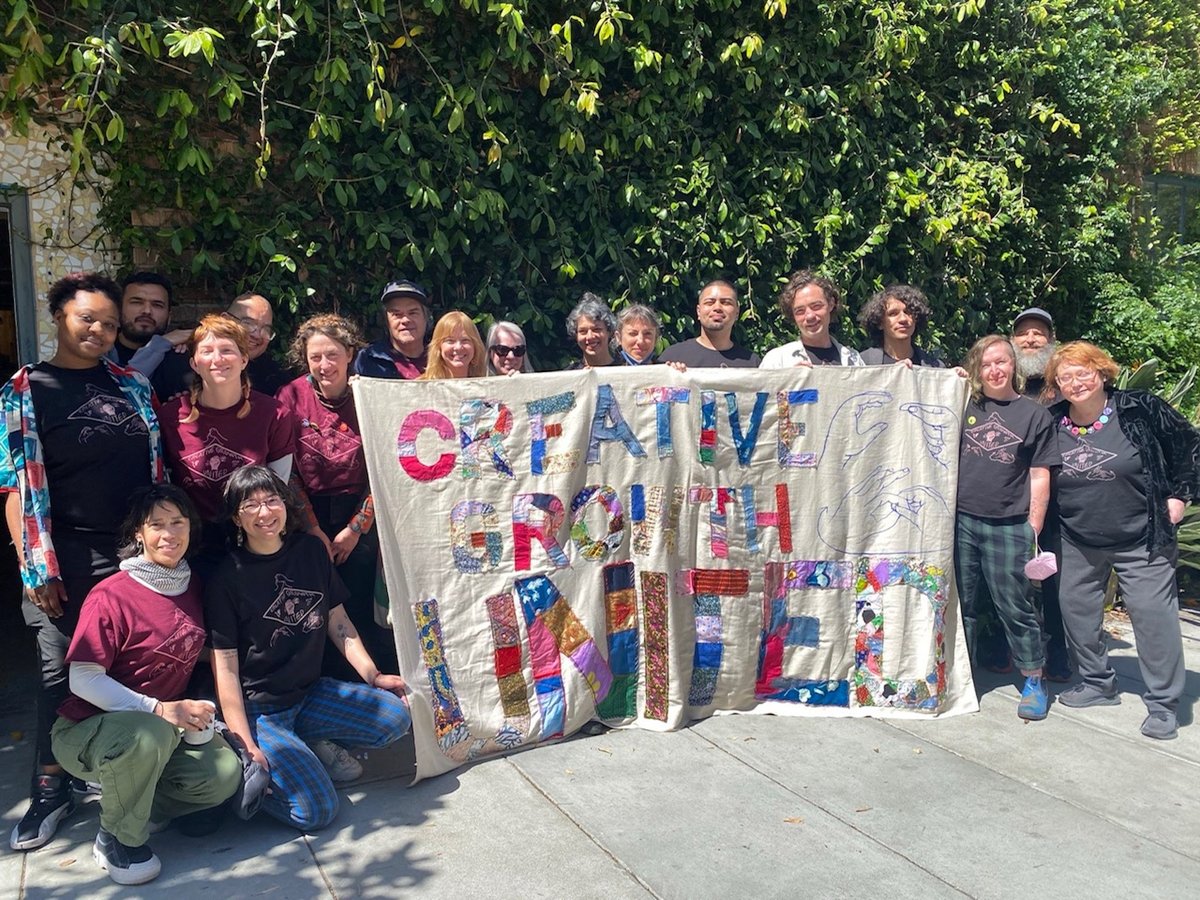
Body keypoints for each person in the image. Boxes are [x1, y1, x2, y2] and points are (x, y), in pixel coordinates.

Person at [2, 273, 164, 852]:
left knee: (130, 663)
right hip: (63, 554)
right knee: (58, 673)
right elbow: (14, 486)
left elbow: (154, 470)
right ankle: (50, 788)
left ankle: (125, 767)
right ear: (59, 318)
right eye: (87, 318)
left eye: (111, 324)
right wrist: (33, 569)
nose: (99, 330)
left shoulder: (131, 385)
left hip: (131, 552)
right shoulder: (27, 389)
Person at [49, 485, 241, 885]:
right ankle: (117, 838)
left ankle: (131, 800)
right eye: (157, 525)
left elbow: (187, 646)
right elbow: (82, 678)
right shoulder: (111, 596)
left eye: (178, 522)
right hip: (88, 730)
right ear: (138, 533)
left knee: (222, 774)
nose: (169, 534)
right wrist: (159, 708)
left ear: (191, 527)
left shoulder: (191, 584)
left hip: (159, 730)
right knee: (147, 734)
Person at [207, 466, 412, 830]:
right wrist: (246, 745)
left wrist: (374, 675)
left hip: (309, 693)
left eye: (272, 500)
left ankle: (306, 745)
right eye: (250, 505)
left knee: (395, 718)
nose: (264, 513)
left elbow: (339, 623)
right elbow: (225, 668)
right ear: (236, 518)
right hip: (262, 710)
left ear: (286, 506)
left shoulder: (310, 553)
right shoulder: (227, 577)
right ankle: (244, 787)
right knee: (315, 811)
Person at [1047, 342, 1199, 740]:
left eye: (1083, 373)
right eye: (1066, 376)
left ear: (1102, 373)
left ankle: (1164, 704)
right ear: (1056, 385)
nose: (1076, 382)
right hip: (1077, 537)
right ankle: (1098, 683)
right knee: (1075, 610)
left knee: (1153, 618)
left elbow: (1189, 445)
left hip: (1142, 536)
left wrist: (1180, 495)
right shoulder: (1051, 421)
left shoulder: (1138, 408)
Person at [276, 315, 394, 674]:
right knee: (313, 601)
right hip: (304, 511)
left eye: (332, 355)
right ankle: (324, 681)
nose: (324, 366)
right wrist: (313, 530)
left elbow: (383, 468)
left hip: (360, 509)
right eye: (315, 357)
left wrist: (356, 528)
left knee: (358, 600)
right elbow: (287, 469)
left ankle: (373, 681)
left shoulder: (368, 395)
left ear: (349, 354)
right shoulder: (291, 395)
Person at [956, 335, 1060, 721]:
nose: (994, 370)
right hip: (960, 522)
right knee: (961, 605)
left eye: (1001, 362)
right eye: (986, 364)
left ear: (1013, 365)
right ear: (976, 370)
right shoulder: (964, 404)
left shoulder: (1034, 415)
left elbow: (1039, 475)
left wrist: (1032, 527)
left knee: (1015, 607)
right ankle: (960, 675)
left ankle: (1034, 678)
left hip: (1009, 524)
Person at [159, 315, 297, 574]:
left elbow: (279, 488)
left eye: (227, 350)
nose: (217, 359)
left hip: (252, 542)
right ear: (194, 363)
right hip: (191, 548)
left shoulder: (274, 414)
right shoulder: (170, 416)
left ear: (244, 359)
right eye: (207, 351)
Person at [106, 271, 194, 399]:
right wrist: (160, 344)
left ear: (169, 317)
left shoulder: (180, 359)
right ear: (118, 310)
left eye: (157, 305)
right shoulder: (100, 354)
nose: (147, 311)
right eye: (136, 302)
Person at [761, 270, 863, 368]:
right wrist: (790, 380)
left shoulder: (854, 360)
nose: (810, 316)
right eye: (800, 311)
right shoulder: (777, 361)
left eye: (816, 306)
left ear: (831, 304)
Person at [659, 280, 760, 368]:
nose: (717, 308)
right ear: (698, 311)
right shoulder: (673, 358)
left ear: (737, 313)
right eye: (710, 302)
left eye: (726, 302)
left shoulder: (752, 364)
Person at [354, 280, 431, 379]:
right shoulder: (368, 359)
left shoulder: (443, 358)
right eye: (397, 314)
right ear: (386, 321)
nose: (405, 320)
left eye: (413, 313)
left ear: (426, 318)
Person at [857, 285, 944, 367]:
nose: (903, 319)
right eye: (893, 314)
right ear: (880, 323)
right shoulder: (862, 363)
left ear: (916, 319)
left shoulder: (935, 368)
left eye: (909, 312)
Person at [227, 293, 289, 396]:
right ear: (226, 320)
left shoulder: (276, 380)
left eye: (266, 329)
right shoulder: (199, 366)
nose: (257, 335)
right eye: (248, 323)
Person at [419, 311, 486, 379]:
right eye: (450, 341)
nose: (458, 347)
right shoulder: (421, 386)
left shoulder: (487, 385)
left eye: (465, 340)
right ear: (438, 347)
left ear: (475, 346)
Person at [1012, 307, 1058, 401]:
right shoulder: (1002, 383)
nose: (1030, 340)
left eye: (1038, 334)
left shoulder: (1063, 383)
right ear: (1012, 339)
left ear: (1051, 339)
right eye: (1022, 334)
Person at [566, 294, 621, 368]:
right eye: (583, 331)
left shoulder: (625, 370)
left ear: (609, 331)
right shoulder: (569, 375)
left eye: (596, 330)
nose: (590, 336)